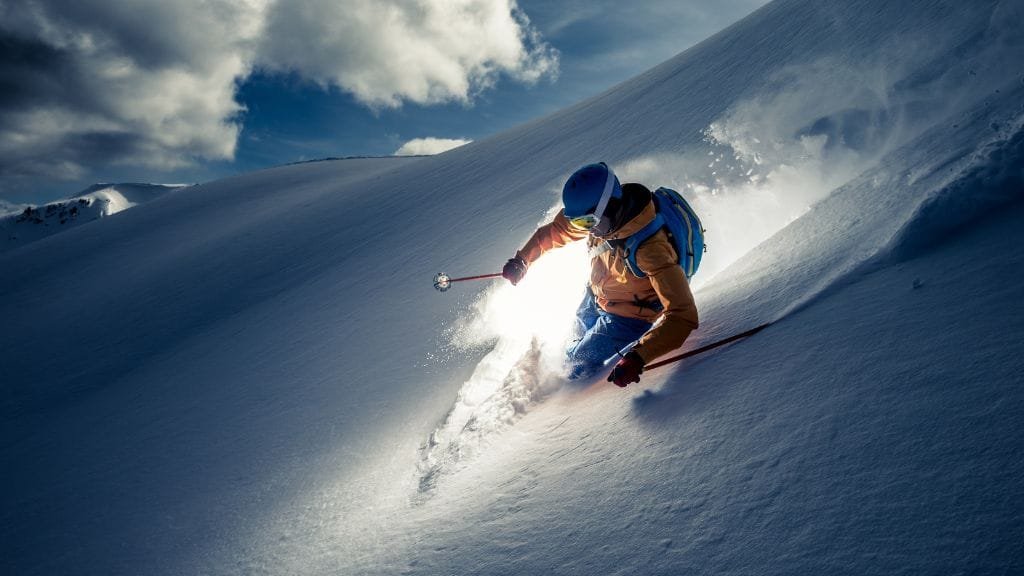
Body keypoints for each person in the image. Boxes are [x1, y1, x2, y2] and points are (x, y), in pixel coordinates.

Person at [502, 162, 698, 387]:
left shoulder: (651, 250)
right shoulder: (597, 218)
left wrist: (638, 357)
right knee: (573, 337)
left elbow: (683, 316)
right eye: (578, 222)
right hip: (596, 296)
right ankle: (563, 361)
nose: (585, 230)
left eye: (587, 223)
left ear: (611, 206)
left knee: (575, 363)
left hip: (627, 319)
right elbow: (556, 231)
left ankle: (556, 396)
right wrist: (522, 260)